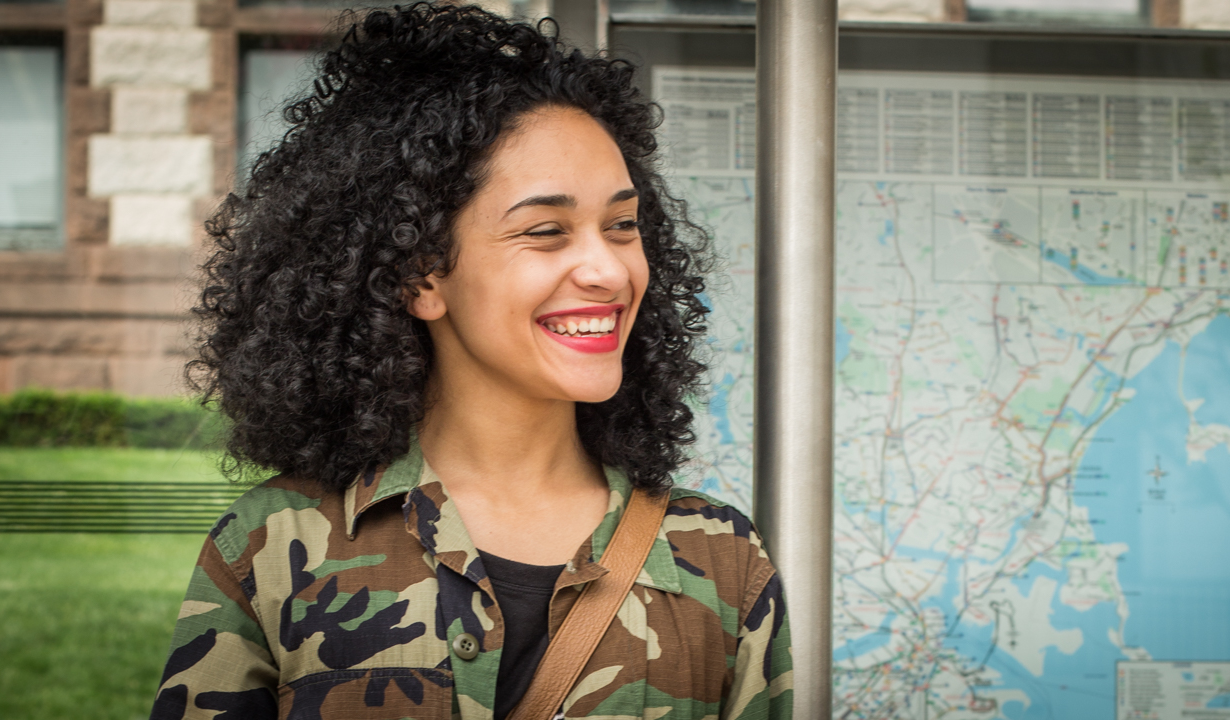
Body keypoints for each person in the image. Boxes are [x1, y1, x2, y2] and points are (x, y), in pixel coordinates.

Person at [148, 5, 792, 718]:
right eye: (545, 231)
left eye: (621, 225)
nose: (610, 270)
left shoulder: (724, 559)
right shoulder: (271, 544)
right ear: (420, 274)